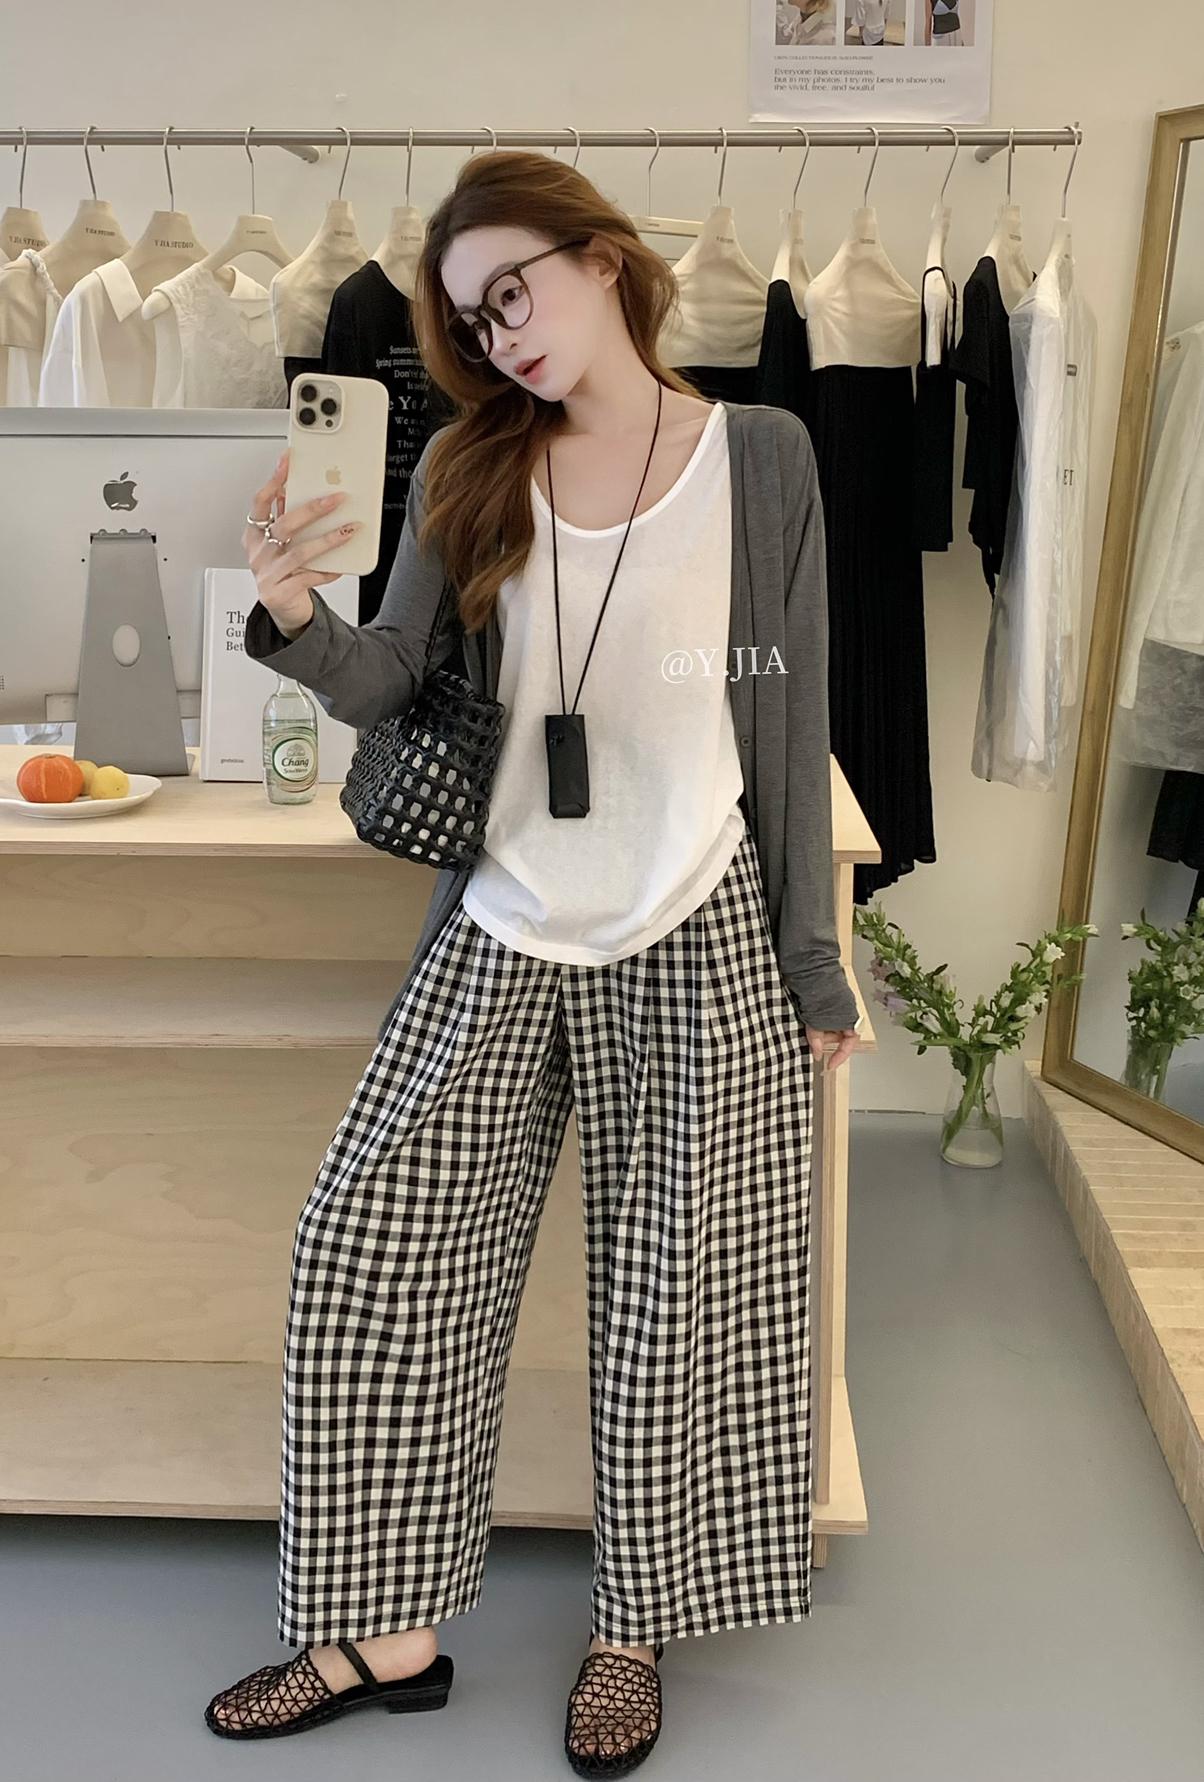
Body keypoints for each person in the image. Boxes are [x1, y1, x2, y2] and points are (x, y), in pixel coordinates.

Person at [206, 148, 861, 1772]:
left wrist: (814, 961)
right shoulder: (468, 462)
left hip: (697, 917)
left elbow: (785, 713)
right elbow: (390, 675)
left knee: (675, 1300)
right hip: (503, 916)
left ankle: (632, 1627)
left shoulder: (762, 455)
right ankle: (387, 1634)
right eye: (473, 318)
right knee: (368, 1253)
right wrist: (291, 616)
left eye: (515, 291)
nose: (501, 335)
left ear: (601, 260)